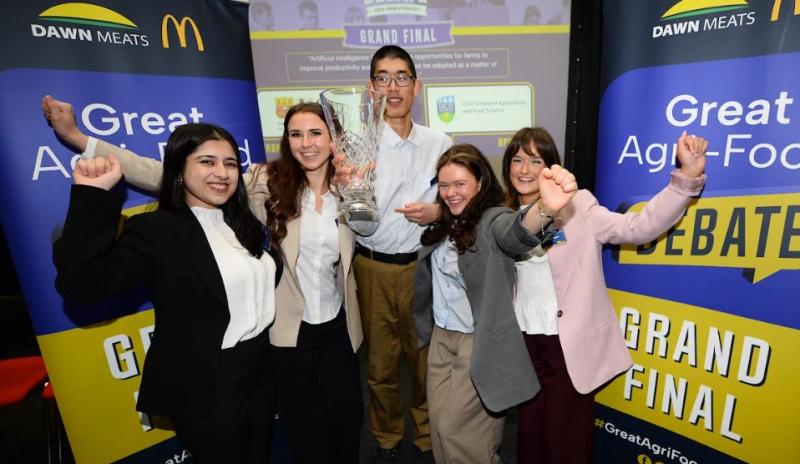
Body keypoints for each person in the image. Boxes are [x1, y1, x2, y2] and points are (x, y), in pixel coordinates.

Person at [42, 97, 364, 464]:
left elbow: (368, 235)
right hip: (262, 348)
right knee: (302, 428)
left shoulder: (256, 217)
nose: (306, 143)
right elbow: (154, 174)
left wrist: (357, 193)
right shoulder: (262, 184)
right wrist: (79, 140)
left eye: (229, 164)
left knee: (339, 420)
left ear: (333, 137)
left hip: (299, 346)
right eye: (295, 134)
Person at [52, 123, 280, 463]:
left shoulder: (243, 222)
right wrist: (92, 196)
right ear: (178, 170)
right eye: (207, 162)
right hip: (204, 383)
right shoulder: (156, 230)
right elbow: (83, 285)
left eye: (230, 163)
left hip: (259, 370)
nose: (222, 173)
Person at [501, 128, 707, 463]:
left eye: (536, 161)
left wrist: (686, 178)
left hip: (566, 344)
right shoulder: (503, 215)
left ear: (551, 167)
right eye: (517, 160)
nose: (525, 170)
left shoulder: (577, 205)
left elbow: (636, 227)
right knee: (530, 434)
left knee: (564, 441)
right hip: (524, 340)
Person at [413, 143, 577, 463]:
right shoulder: (446, 221)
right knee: (440, 431)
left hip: (478, 343)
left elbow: (515, 233)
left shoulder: (492, 220)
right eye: (444, 185)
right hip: (442, 339)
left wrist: (545, 208)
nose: (450, 193)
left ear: (480, 183)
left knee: (465, 439)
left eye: (460, 184)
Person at [338, 44, 452, 462]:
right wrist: (351, 192)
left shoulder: (439, 142)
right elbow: (356, 221)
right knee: (380, 366)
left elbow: (459, 201)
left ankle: (426, 437)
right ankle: (386, 438)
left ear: (416, 86)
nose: (393, 87)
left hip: (423, 269)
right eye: (383, 78)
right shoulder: (356, 146)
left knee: (424, 363)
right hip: (372, 268)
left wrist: (438, 212)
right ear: (371, 89)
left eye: (402, 77)